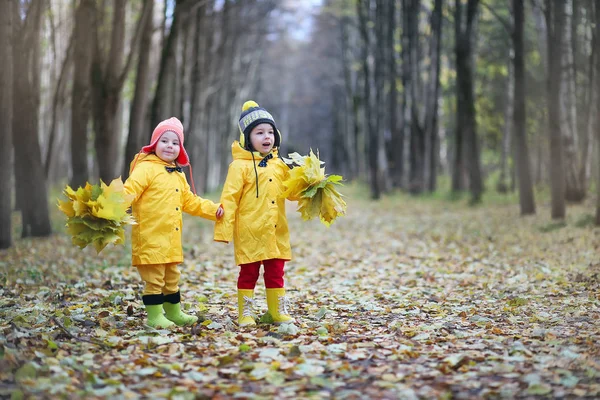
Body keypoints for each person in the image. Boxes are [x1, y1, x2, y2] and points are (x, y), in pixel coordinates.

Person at [124, 117, 224, 329]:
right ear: (154, 144)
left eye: (175, 142)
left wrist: (213, 210)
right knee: (155, 279)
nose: (170, 146)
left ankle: (174, 312)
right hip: (150, 236)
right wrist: (111, 207)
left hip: (171, 238)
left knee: (172, 278)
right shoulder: (145, 169)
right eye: (164, 141)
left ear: (180, 149)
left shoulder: (178, 174)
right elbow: (129, 191)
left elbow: (190, 201)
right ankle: (155, 316)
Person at [214, 100, 298, 327]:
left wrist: (309, 187)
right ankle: (246, 312)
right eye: (259, 133)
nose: (266, 137)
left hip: (275, 230)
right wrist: (224, 231)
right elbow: (229, 199)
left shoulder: (280, 165)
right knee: (249, 273)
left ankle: (276, 310)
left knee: (275, 272)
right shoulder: (239, 167)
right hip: (250, 231)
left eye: (270, 132)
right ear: (247, 138)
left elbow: (292, 192)